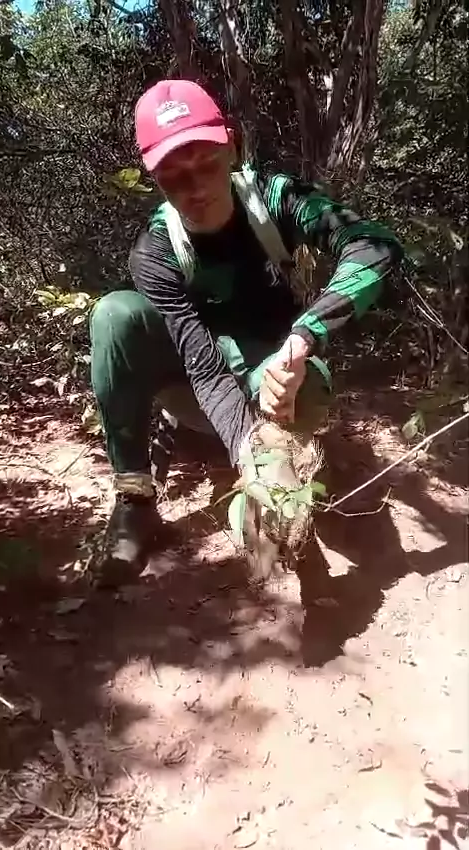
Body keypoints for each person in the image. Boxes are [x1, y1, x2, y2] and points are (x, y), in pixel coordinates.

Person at [89, 78, 403, 585]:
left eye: (207, 164)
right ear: (155, 178)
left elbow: (374, 245)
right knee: (114, 315)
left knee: (311, 388)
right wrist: (250, 457)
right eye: (175, 177)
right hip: (197, 381)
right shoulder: (155, 248)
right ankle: (135, 500)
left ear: (231, 146)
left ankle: (280, 465)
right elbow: (204, 366)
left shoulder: (277, 199)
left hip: (276, 378)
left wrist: (304, 336)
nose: (196, 189)